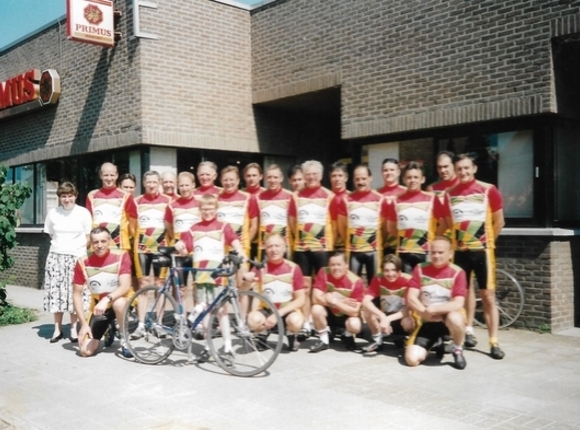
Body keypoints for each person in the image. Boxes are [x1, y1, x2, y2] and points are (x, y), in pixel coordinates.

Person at [435, 154, 506, 359]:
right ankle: (462, 336)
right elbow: (448, 224)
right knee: (460, 296)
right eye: (459, 169)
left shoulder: (488, 189)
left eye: (466, 168)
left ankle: (494, 342)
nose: (463, 172)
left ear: (474, 168)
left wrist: (488, 243)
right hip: (460, 253)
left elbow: (499, 222)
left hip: (483, 252)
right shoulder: (449, 194)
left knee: (488, 297)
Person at [174, 194, 246, 362]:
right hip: (201, 276)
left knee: (221, 311)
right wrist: (180, 246)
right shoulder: (193, 229)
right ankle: (207, 347)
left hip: (218, 275)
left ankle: (227, 347)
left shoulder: (223, 226)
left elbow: (234, 240)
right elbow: (185, 251)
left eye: (210, 209)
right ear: (199, 210)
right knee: (205, 312)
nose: (207, 212)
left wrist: (241, 253)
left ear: (216, 209)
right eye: (204, 209)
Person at [289, 160, 337, 341]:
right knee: (305, 287)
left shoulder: (329, 196)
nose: (311, 177)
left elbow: (335, 223)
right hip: (302, 248)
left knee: (323, 287)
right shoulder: (296, 196)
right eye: (308, 174)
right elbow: (293, 222)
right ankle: (306, 322)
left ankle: (323, 323)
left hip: (323, 248)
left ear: (321, 175)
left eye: (314, 174)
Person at [405, 236, 467, 369]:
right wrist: (423, 312)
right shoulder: (420, 268)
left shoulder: (458, 272)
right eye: (433, 252)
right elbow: (411, 297)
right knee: (411, 360)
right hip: (428, 320)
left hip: (447, 319)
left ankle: (457, 349)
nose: (436, 256)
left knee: (455, 318)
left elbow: (458, 303)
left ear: (450, 254)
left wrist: (434, 310)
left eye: (440, 252)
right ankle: (436, 342)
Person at [43, 182, 92, 343]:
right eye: (63, 196)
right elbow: (51, 234)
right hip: (56, 257)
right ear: (59, 198)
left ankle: (73, 328)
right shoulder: (53, 213)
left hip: (77, 257)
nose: (67, 199)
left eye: (70, 196)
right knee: (57, 293)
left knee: (74, 292)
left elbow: (87, 236)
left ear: (75, 196)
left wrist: (77, 251)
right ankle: (57, 329)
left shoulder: (83, 213)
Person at [72, 227, 133, 358]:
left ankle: (124, 339)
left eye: (103, 241)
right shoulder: (82, 261)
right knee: (85, 351)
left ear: (110, 241)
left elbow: (125, 286)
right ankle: (109, 327)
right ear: (90, 243)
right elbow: (76, 294)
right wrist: (83, 324)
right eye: (95, 242)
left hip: (121, 301)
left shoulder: (121, 255)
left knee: (119, 303)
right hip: (99, 307)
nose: (99, 246)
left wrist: (106, 299)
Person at [242, 234, 306, 352]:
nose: (274, 249)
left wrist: (277, 315)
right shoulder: (260, 268)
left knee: (296, 321)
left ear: (284, 248)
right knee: (252, 320)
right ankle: (262, 333)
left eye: (277, 246)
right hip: (266, 310)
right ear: (265, 250)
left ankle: (291, 334)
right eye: (270, 246)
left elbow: (301, 299)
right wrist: (246, 281)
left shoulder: (293, 268)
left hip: (286, 311)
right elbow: (243, 291)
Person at [132, 171, 172, 338]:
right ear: (144, 183)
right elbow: (133, 226)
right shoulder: (137, 201)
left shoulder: (168, 201)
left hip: (161, 246)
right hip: (142, 246)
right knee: (143, 284)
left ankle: (159, 323)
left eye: (154, 182)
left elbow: (170, 226)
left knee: (159, 284)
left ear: (159, 183)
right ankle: (141, 324)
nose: (151, 185)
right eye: (148, 182)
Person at [337, 164, 387, 283]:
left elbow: (385, 228)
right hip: (353, 251)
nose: (360, 182)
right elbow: (341, 226)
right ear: (353, 180)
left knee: (375, 284)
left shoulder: (380, 199)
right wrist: (350, 241)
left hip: (374, 250)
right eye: (357, 179)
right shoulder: (346, 200)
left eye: (364, 178)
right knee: (353, 284)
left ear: (370, 178)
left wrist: (380, 241)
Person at [386, 162, 438, 273]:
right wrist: (406, 236)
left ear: (422, 179)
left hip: (425, 251)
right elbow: (390, 228)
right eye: (409, 177)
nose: (412, 180)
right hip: (404, 252)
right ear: (404, 180)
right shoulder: (396, 200)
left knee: (425, 283)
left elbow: (443, 223)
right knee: (406, 283)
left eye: (416, 177)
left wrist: (432, 238)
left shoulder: (432, 198)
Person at [309, 252, 364, 353]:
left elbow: (355, 312)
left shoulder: (356, 281)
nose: (335, 268)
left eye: (339, 264)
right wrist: (342, 301)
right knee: (316, 309)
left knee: (355, 324)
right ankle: (324, 340)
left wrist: (334, 301)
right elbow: (315, 299)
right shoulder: (323, 272)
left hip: (345, 316)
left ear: (346, 265)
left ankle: (347, 335)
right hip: (329, 313)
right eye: (332, 265)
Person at [361, 254, 415, 353]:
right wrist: (382, 316)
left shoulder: (408, 280)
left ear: (399, 270)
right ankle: (377, 340)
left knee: (408, 321)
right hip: (385, 316)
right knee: (367, 311)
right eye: (386, 270)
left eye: (394, 270)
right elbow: (365, 301)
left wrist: (388, 319)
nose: (390, 274)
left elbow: (409, 309)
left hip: (401, 317)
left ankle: (406, 338)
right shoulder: (378, 278)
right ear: (382, 271)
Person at [86, 162, 137, 251]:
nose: (109, 178)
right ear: (100, 175)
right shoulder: (91, 195)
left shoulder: (126, 196)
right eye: (106, 175)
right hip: (97, 244)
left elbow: (133, 221)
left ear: (117, 175)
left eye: (112, 175)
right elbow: (87, 221)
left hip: (119, 244)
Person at [217, 166, 259, 259]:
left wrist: (244, 244)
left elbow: (254, 226)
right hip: (220, 249)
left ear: (238, 181)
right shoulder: (216, 198)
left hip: (241, 248)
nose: (228, 183)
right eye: (225, 180)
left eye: (231, 179)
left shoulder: (248, 198)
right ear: (221, 181)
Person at [255, 164, 294, 260]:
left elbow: (293, 223)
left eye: (275, 177)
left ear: (281, 178)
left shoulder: (290, 196)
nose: (272, 180)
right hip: (264, 244)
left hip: (284, 244)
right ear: (265, 178)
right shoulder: (258, 197)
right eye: (269, 177)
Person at [377, 158, 406, 256]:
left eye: (392, 170)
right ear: (381, 173)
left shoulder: (405, 193)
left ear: (398, 172)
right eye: (385, 170)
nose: (388, 173)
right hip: (380, 245)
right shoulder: (375, 194)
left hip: (401, 245)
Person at [329, 161, 349, 252]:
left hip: (348, 245)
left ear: (346, 178)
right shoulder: (325, 198)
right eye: (334, 176)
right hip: (329, 245)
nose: (337, 179)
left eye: (340, 175)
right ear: (330, 178)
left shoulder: (351, 198)